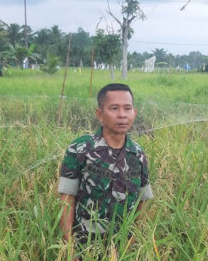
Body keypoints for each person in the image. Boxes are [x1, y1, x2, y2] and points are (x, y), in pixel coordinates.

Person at [58, 83, 152, 245]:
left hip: (124, 247)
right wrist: (70, 248)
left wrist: (133, 243)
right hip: (85, 246)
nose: (122, 115)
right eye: (114, 108)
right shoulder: (80, 149)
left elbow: (143, 202)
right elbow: (67, 199)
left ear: (134, 113)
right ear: (100, 114)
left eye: (127, 108)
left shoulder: (137, 154)